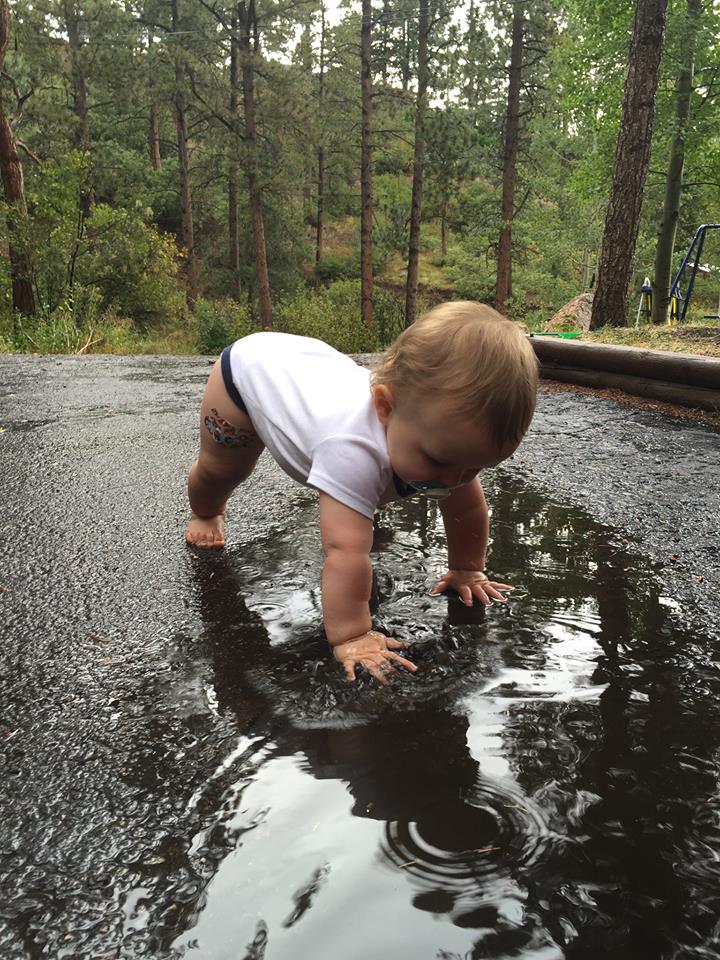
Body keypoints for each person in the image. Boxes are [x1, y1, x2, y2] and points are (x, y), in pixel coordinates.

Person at [185, 301, 538, 684]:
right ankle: (206, 510)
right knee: (223, 469)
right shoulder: (351, 450)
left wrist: (467, 569)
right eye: (439, 460)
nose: (455, 480)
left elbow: (466, 512)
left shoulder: (445, 447)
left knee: (395, 489)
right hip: (246, 378)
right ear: (385, 406)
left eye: (475, 467)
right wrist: (352, 635)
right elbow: (344, 552)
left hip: (307, 368)